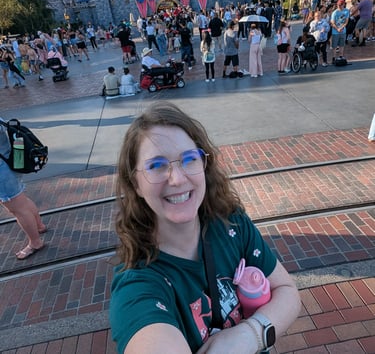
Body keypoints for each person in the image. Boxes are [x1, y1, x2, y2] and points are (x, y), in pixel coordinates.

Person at [110, 102, 301, 354]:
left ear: (203, 164)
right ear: (135, 183)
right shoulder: (139, 287)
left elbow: (287, 291)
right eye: (156, 166)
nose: (177, 179)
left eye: (189, 159)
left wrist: (248, 335)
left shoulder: (229, 224)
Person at [0, 119, 46, 260]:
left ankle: (35, 242)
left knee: (17, 208)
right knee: (21, 200)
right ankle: (38, 225)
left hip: (2, 170)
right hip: (10, 160)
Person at [330, 0, 349, 64]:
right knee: (335, 45)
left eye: (341, 5)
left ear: (344, 5)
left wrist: (342, 27)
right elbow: (332, 22)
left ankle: (341, 56)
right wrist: (337, 28)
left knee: (342, 44)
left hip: (343, 30)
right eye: (338, 5)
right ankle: (334, 57)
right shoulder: (335, 12)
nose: (339, 6)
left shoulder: (346, 11)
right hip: (335, 31)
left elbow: (346, 20)